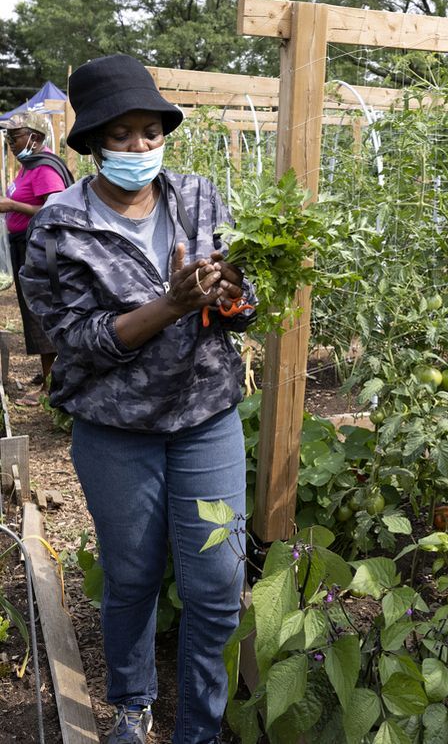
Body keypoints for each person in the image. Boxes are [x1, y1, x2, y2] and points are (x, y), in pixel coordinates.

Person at [18, 54, 256, 744]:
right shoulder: (58, 226)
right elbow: (72, 335)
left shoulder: (199, 198)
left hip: (206, 416)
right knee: (130, 577)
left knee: (215, 580)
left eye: (151, 132)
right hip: (117, 429)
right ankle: (131, 704)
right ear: (93, 142)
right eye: (121, 135)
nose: (140, 148)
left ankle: (200, 726)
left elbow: (247, 302)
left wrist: (233, 291)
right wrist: (170, 304)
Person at [0, 109, 72, 403]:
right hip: (25, 246)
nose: (11, 143)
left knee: (40, 313)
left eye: (14, 137)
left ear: (35, 137)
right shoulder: (27, 166)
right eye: (8, 137)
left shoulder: (44, 169)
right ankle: (50, 375)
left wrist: (12, 206)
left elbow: (53, 210)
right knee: (34, 311)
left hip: (41, 251)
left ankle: (50, 388)